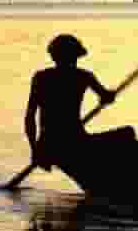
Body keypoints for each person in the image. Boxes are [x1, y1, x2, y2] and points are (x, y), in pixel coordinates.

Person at [25, 33, 115, 170]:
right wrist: (108, 96)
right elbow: (106, 97)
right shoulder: (84, 76)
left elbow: (30, 116)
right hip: (73, 141)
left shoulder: (41, 77)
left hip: (50, 142)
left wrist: (35, 148)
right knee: (128, 132)